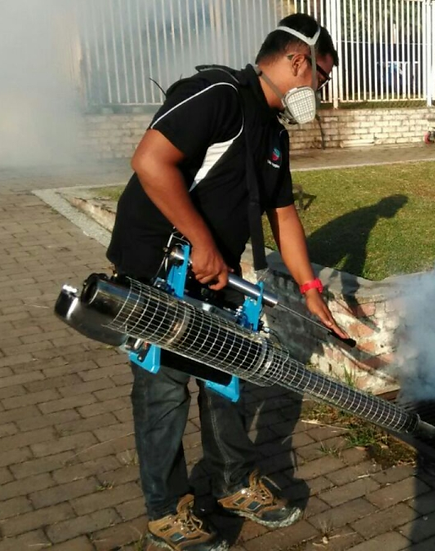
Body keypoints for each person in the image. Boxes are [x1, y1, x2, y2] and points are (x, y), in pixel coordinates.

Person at [105, 13, 347, 551]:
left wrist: (311, 293)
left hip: (214, 277)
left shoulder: (273, 133)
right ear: (297, 60)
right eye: (322, 78)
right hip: (159, 269)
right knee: (164, 389)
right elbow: (150, 161)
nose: (321, 92)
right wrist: (202, 243)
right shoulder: (215, 94)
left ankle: (233, 483)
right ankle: (166, 513)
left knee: (223, 380)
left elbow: (283, 216)